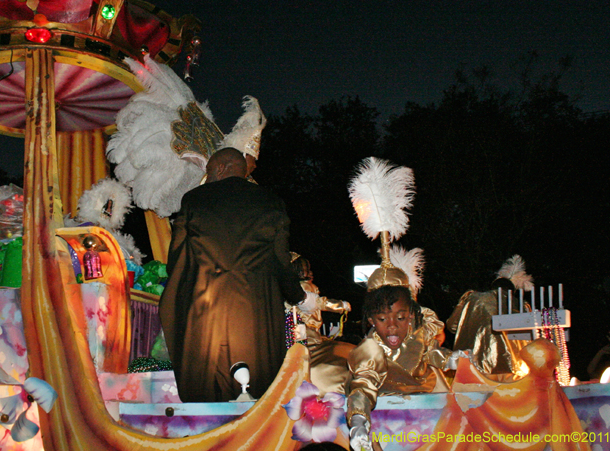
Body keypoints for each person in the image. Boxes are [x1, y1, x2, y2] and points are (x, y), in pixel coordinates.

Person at [159, 147, 315, 402]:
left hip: (205, 311)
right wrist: (299, 297)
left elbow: (175, 257)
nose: (207, 179)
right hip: (255, 314)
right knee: (254, 389)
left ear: (220, 168)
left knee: (206, 388)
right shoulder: (271, 202)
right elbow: (280, 262)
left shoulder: (194, 199)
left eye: (208, 172)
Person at [346, 246, 452, 451]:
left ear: (412, 315)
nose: (392, 325)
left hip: (434, 416)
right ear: (371, 321)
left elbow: (433, 353)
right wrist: (358, 422)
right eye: (382, 319)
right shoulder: (370, 349)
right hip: (390, 422)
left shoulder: (420, 334)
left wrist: (454, 359)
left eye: (400, 317)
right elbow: (363, 384)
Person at [446, 255, 533, 376]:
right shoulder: (523, 306)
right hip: (516, 372)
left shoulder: (473, 298)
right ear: (512, 291)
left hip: (475, 370)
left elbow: (452, 325)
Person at [285, 253, 354, 395]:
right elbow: (319, 302)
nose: (310, 272)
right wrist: (341, 305)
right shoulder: (304, 287)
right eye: (306, 269)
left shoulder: (291, 288)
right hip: (306, 337)